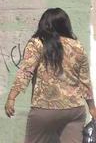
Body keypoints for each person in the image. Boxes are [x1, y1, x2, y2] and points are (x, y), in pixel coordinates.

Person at [5, 8, 96, 143]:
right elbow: (85, 81)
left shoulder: (37, 43)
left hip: (44, 109)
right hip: (74, 110)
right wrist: (92, 107)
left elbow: (25, 72)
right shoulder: (77, 46)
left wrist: (11, 97)